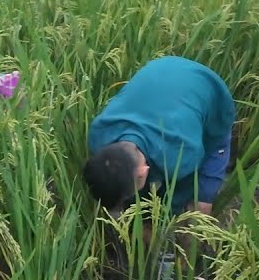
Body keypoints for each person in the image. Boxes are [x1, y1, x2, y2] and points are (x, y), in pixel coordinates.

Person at [83, 55, 236, 218]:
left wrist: (162, 218)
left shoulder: (181, 155)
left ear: (143, 172)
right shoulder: (99, 133)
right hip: (162, 71)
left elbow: (176, 197)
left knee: (200, 206)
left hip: (210, 93)